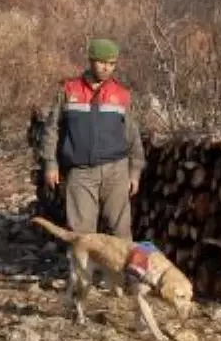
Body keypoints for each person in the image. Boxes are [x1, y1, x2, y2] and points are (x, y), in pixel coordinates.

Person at [40, 38, 145, 241]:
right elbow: (52, 129)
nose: (106, 68)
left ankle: (118, 274)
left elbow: (132, 135)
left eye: (112, 63)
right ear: (90, 61)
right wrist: (50, 164)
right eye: (101, 62)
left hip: (116, 171)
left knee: (121, 234)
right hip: (81, 173)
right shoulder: (69, 91)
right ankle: (82, 274)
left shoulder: (122, 94)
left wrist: (135, 172)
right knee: (81, 236)